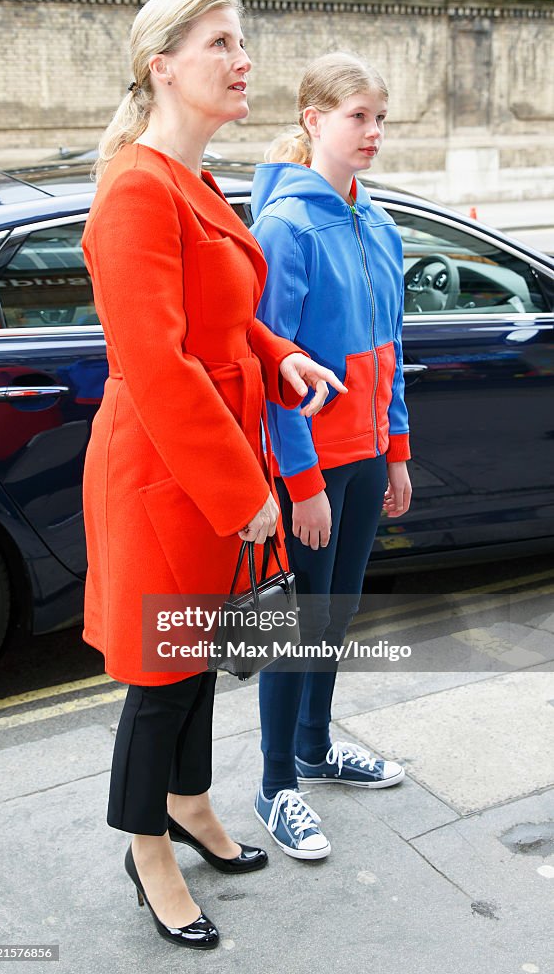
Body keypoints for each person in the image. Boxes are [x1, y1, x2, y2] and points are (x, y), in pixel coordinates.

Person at [81, 0, 345, 950]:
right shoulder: (137, 188)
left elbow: (224, 324)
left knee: (198, 656)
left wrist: (282, 359)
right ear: (165, 66)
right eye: (223, 43)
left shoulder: (192, 181)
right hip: (169, 471)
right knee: (163, 672)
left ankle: (191, 805)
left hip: (210, 458)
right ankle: (146, 848)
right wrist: (246, 497)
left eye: (243, 41)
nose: (244, 60)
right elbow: (157, 364)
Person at [251, 53, 413, 860]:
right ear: (314, 120)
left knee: (335, 618)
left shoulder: (377, 222)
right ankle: (276, 782)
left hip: (365, 456)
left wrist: (397, 451)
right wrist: (302, 483)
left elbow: (390, 348)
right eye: (358, 116)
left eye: (381, 116)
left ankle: (315, 750)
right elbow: (268, 368)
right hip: (309, 468)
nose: (374, 131)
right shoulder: (284, 227)